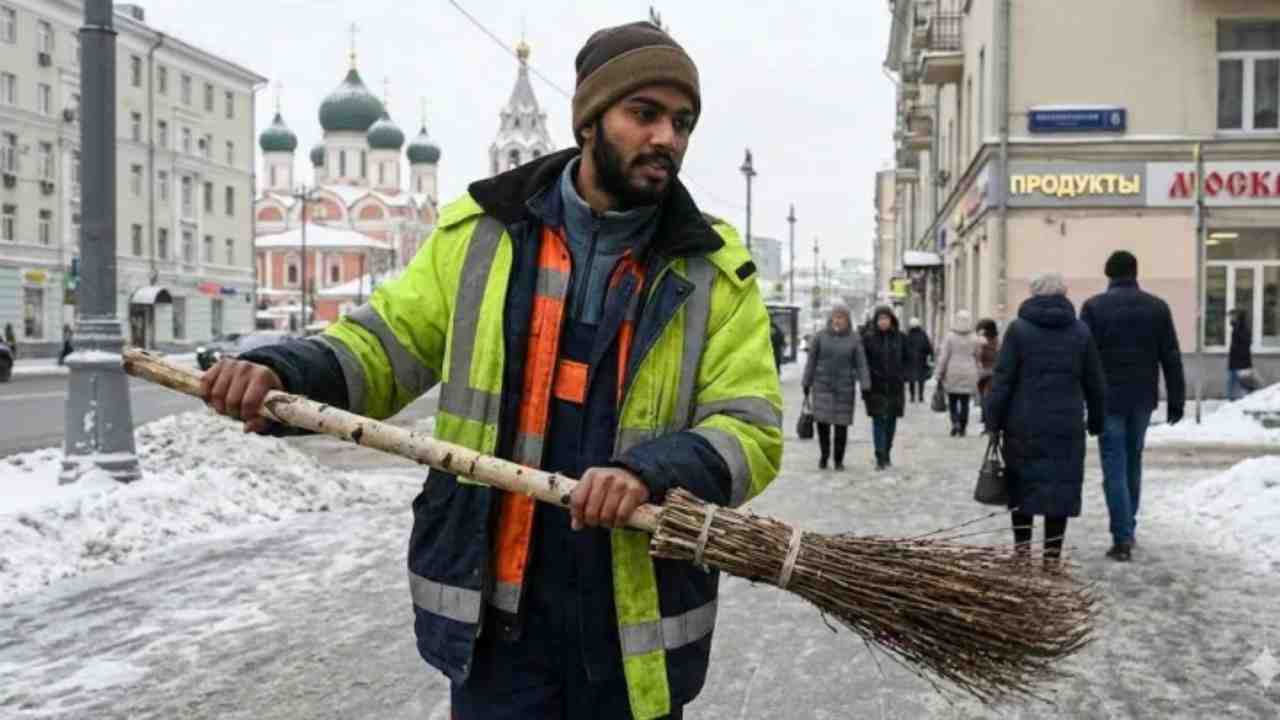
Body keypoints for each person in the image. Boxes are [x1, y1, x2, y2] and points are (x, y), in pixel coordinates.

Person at [200, 21, 782, 719]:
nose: (667, 138)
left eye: (682, 122)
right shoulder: (481, 234)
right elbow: (383, 346)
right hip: (499, 626)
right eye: (645, 113)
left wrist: (647, 473)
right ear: (590, 119)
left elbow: (749, 429)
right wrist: (281, 371)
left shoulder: (714, 269)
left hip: (633, 629)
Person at [984, 273, 1106, 570]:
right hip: (1066, 425)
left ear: (1033, 294)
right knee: (1060, 487)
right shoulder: (1080, 331)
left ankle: (1022, 552)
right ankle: (1052, 557)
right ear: (1064, 294)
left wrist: (993, 420)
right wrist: (1097, 419)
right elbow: (1095, 381)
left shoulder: (1018, 330)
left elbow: (1003, 379)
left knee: (1021, 485)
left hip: (1022, 423)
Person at [1081, 250, 1186, 562]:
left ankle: (1122, 536)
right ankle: (1129, 527)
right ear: (1135, 272)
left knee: (1114, 464)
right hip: (1142, 398)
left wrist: (1082, 397)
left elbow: (1083, 357)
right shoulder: (1157, 307)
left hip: (1107, 398)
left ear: (1108, 274)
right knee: (1133, 461)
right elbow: (1171, 355)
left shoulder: (1094, 307)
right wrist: (1176, 398)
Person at [803, 303, 871, 470]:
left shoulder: (854, 339)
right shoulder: (820, 337)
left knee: (841, 426)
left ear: (847, 320)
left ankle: (838, 460)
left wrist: (865, 384)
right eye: (836, 317)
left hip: (844, 388)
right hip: (822, 386)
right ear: (831, 318)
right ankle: (824, 455)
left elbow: (861, 364)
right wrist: (806, 382)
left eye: (842, 317)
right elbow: (811, 362)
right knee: (823, 424)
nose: (838, 320)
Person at [862, 306, 908, 470]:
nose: (883, 322)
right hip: (876, 386)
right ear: (876, 321)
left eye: (886, 318)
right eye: (880, 319)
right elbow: (863, 362)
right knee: (878, 421)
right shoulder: (868, 339)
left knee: (890, 422)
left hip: (895, 387)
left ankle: (887, 451)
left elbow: (907, 359)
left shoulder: (900, 338)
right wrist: (866, 381)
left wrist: (903, 374)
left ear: (891, 320)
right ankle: (880, 456)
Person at [935, 310, 980, 436]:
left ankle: (955, 422)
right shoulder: (974, 338)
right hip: (969, 372)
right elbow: (977, 355)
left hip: (952, 371)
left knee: (952, 400)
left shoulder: (950, 337)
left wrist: (939, 373)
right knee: (965, 402)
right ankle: (963, 426)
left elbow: (944, 357)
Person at [975, 318, 1000, 421]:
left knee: (983, 394)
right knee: (989, 395)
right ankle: (987, 415)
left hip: (983, 371)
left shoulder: (981, 340)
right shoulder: (997, 340)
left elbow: (978, 355)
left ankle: (984, 415)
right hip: (993, 370)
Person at [904, 317, 933, 403]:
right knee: (921, 379)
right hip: (921, 360)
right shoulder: (923, 334)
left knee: (911, 379)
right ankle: (920, 396)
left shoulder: (907, 335)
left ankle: (912, 396)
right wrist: (930, 356)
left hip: (910, 361)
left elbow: (904, 348)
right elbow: (928, 347)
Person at [1228, 308, 1253, 401]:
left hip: (1240, 363)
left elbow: (1244, 346)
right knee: (1236, 385)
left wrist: (1240, 362)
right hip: (1237, 362)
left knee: (1240, 385)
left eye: (1232, 316)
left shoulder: (1241, 329)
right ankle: (1234, 401)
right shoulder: (1237, 328)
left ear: (1237, 317)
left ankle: (1235, 402)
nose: (1230, 318)